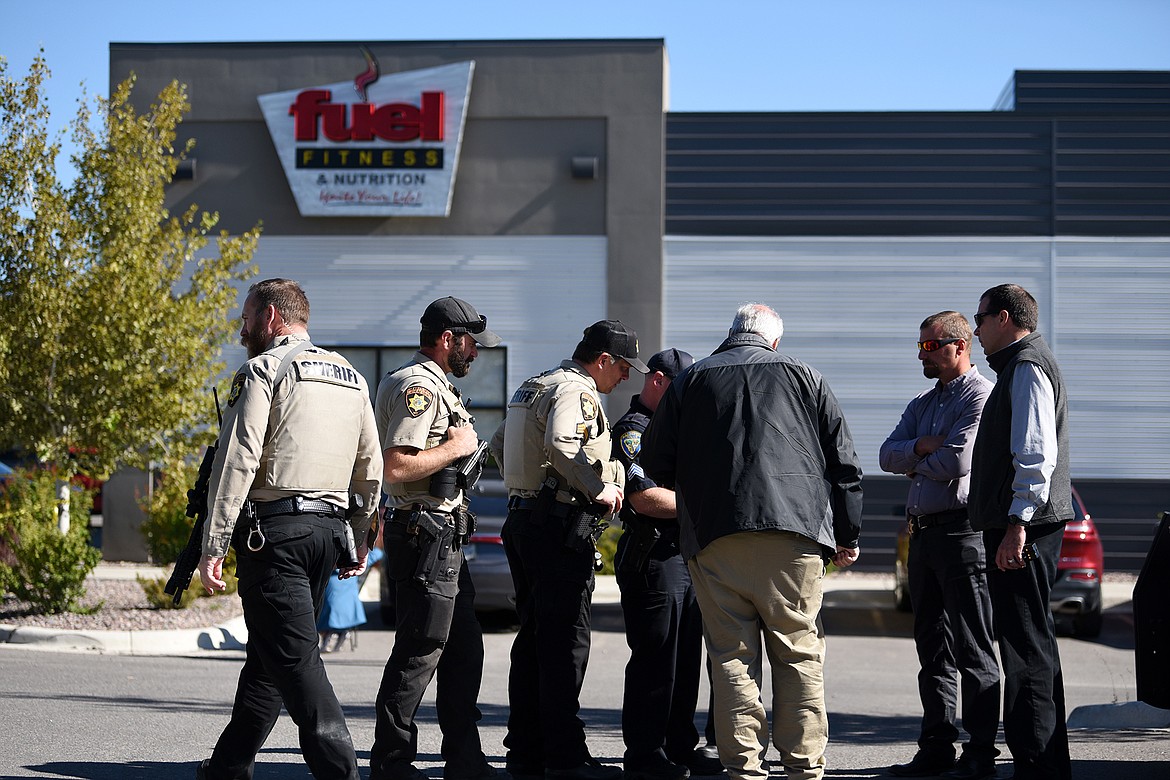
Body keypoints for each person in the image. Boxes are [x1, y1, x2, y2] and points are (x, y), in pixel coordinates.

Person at [639, 303, 863, 780]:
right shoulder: (808, 377)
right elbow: (845, 466)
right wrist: (847, 535)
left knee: (731, 657)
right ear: (774, 342)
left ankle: (743, 767)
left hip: (717, 536)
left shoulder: (690, 381)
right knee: (798, 649)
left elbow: (656, 462)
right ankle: (803, 765)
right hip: (796, 535)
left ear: (732, 333)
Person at [195, 278, 383, 780]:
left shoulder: (262, 369)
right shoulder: (351, 376)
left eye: (248, 316)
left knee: (297, 664)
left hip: (275, 536)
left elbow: (238, 460)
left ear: (272, 318)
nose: (242, 326)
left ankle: (342, 773)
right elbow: (371, 467)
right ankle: (226, 769)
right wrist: (361, 536)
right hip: (327, 535)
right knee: (268, 660)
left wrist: (213, 545)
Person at [490, 320, 647, 780]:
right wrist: (598, 488)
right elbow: (563, 445)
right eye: (622, 368)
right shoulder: (576, 392)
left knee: (533, 641)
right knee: (565, 644)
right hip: (557, 528)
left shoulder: (532, 384)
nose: (624, 378)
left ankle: (525, 749)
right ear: (602, 360)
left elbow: (499, 444)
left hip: (524, 520)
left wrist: (530, 487)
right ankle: (565, 756)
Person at [369, 297, 504, 780]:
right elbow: (397, 465)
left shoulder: (435, 384)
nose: (475, 353)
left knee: (464, 649)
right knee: (419, 651)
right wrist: (456, 446)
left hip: (443, 538)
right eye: (470, 343)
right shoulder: (416, 386)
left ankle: (463, 759)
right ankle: (392, 763)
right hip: (425, 534)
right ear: (447, 338)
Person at [878, 312, 1000, 780]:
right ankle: (936, 747)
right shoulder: (923, 403)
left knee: (972, 647)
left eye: (930, 347)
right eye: (921, 346)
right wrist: (922, 448)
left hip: (962, 532)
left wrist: (920, 453)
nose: (920, 354)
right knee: (932, 648)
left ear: (959, 345)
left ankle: (981, 754)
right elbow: (887, 454)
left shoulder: (981, 396)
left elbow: (957, 462)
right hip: (924, 535)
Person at [969, 284, 1074, 780]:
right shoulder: (1018, 366)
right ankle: (1046, 763)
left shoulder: (1027, 366)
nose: (975, 329)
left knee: (1025, 647)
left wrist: (1017, 524)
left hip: (1025, 527)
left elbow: (1035, 455)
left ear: (1005, 318)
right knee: (1033, 644)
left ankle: (1036, 765)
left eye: (981, 318)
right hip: (1024, 525)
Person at [612, 348, 724, 780]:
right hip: (653, 554)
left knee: (685, 659)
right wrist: (710, 505)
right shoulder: (633, 432)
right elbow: (646, 497)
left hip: (685, 554)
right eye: (681, 388)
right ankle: (644, 754)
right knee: (655, 658)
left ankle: (680, 746)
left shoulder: (676, 429)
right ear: (657, 380)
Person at [318, 545, 385, 653]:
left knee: (327, 613)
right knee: (338, 612)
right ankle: (341, 634)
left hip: (333, 583)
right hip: (349, 583)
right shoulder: (353, 542)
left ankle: (329, 638)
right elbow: (377, 553)